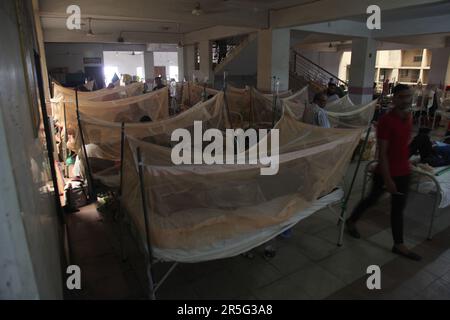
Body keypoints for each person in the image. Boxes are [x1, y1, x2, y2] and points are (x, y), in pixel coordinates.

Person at [346, 84, 422, 261]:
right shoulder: (386, 122)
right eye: (402, 96)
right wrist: (388, 179)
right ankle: (351, 221)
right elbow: (382, 153)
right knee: (372, 199)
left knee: (398, 209)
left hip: (404, 170)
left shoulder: (409, 117)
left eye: (408, 96)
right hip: (386, 172)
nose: (406, 99)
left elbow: (403, 144)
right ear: (394, 98)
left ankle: (398, 244)